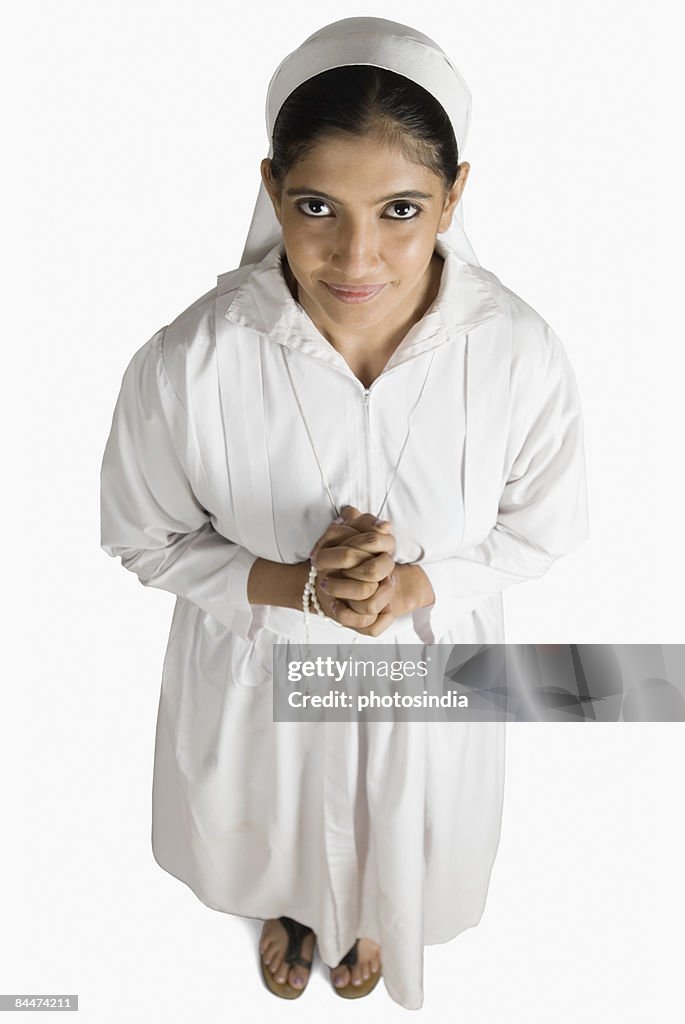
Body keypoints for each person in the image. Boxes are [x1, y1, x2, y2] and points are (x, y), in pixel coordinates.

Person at [99, 16, 589, 1011]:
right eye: (317, 204)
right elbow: (140, 532)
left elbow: (543, 522)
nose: (356, 255)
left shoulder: (519, 356)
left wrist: (417, 582)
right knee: (268, 827)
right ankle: (290, 906)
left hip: (429, 679)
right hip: (257, 677)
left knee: (404, 838)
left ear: (454, 194)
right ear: (272, 186)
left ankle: (368, 914)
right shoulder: (191, 360)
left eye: (401, 208)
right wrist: (297, 587)